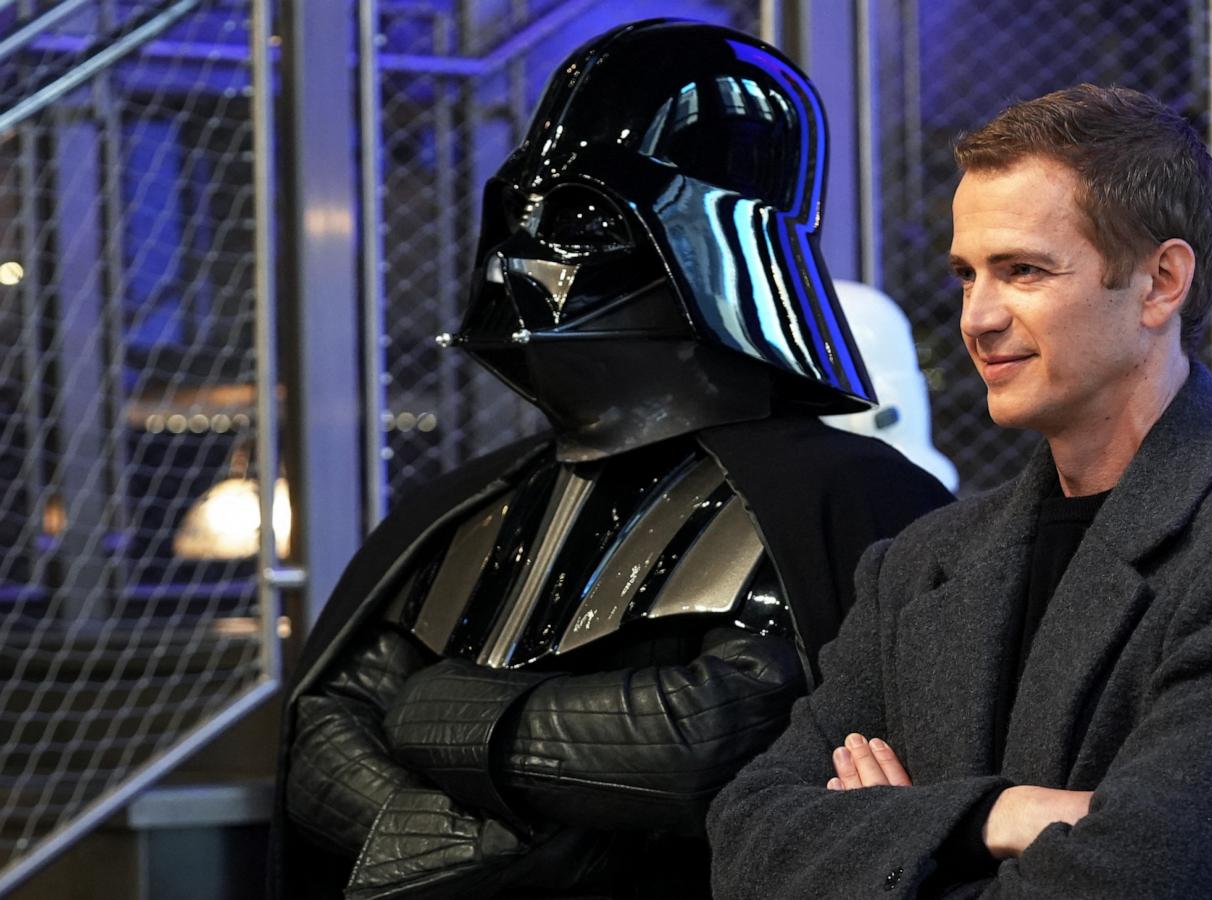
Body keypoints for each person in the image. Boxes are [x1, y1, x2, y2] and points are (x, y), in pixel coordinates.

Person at [269, 20, 951, 900]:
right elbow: (324, 723)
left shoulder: (847, 497)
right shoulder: (473, 503)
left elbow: (724, 735)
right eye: (516, 215)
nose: (525, 256)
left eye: (580, 218)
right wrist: (441, 839)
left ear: (707, 245)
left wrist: (435, 709)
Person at [708, 85, 1212, 899]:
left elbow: (1162, 881)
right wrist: (1002, 815)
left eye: (1023, 270)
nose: (977, 318)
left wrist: (894, 832)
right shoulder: (923, 560)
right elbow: (746, 843)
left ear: (1161, 282)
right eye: (967, 275)